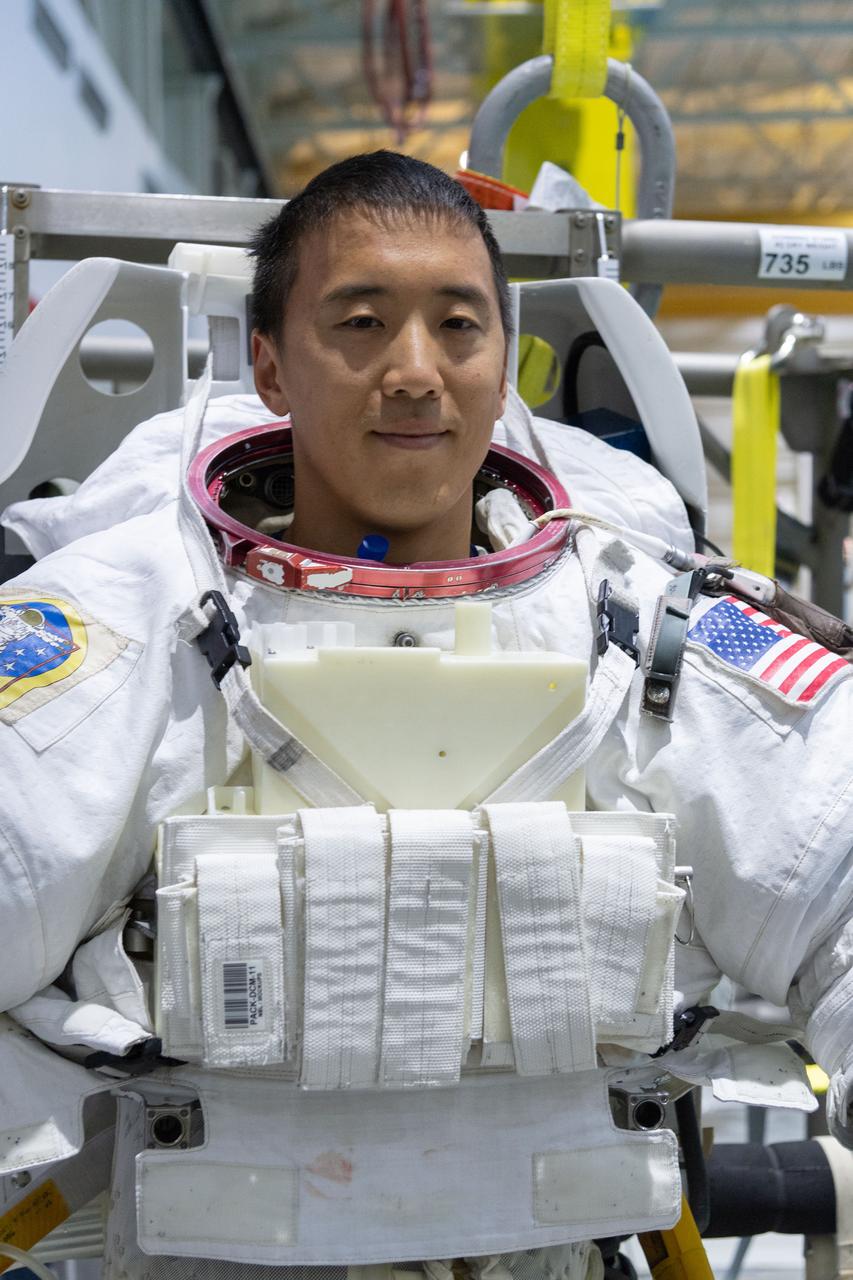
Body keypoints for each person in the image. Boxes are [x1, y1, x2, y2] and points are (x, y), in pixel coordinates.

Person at [1, 150, 852, 1278]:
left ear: (502, 366)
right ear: (268, 362)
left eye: (458, 326)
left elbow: (832, 867)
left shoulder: (632, 633)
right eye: (359, 323)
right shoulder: (126, 625)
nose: (415, 371)